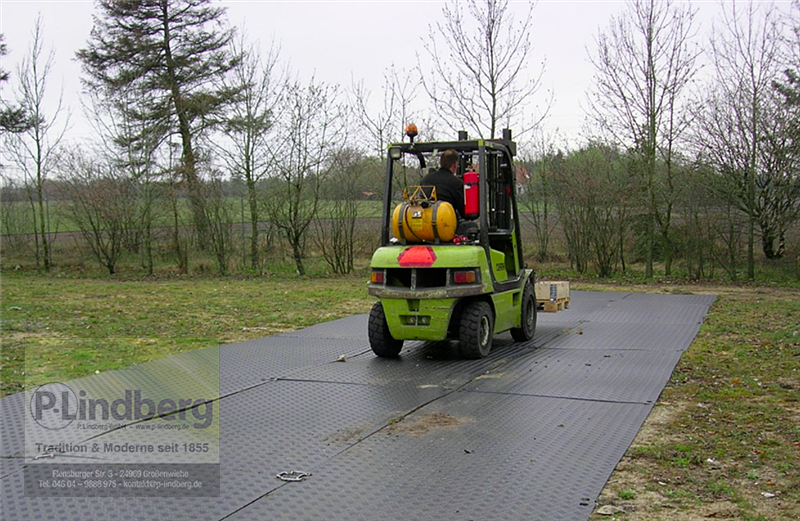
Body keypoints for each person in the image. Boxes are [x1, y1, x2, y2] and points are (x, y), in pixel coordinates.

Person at [419, 149, 465, 218]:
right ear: (455, 165)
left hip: (425, 220)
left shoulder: (425, 180)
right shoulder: (456, 183)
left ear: (441, 163)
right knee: (471, 225)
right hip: (446, 222)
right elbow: (463, 212)